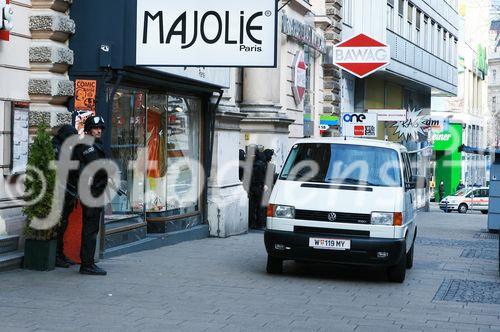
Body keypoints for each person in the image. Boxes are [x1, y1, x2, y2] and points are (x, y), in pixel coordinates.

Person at [75, 116, 108, 276]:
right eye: (96, 128)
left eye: (101, 128)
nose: (99, 130)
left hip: (96, 192)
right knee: (90, 229)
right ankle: (87, 264)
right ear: (88, 130)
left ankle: (88, 262)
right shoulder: (87, 146)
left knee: (91, 228)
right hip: (91, 193)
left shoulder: (94, 144)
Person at [52, 125, 79, 268]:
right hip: (60, 191)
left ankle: (60, 254)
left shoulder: (66, 147)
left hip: (68, 191)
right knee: (59, 224)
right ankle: (56, 255)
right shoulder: (56, 148)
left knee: (64, 224)